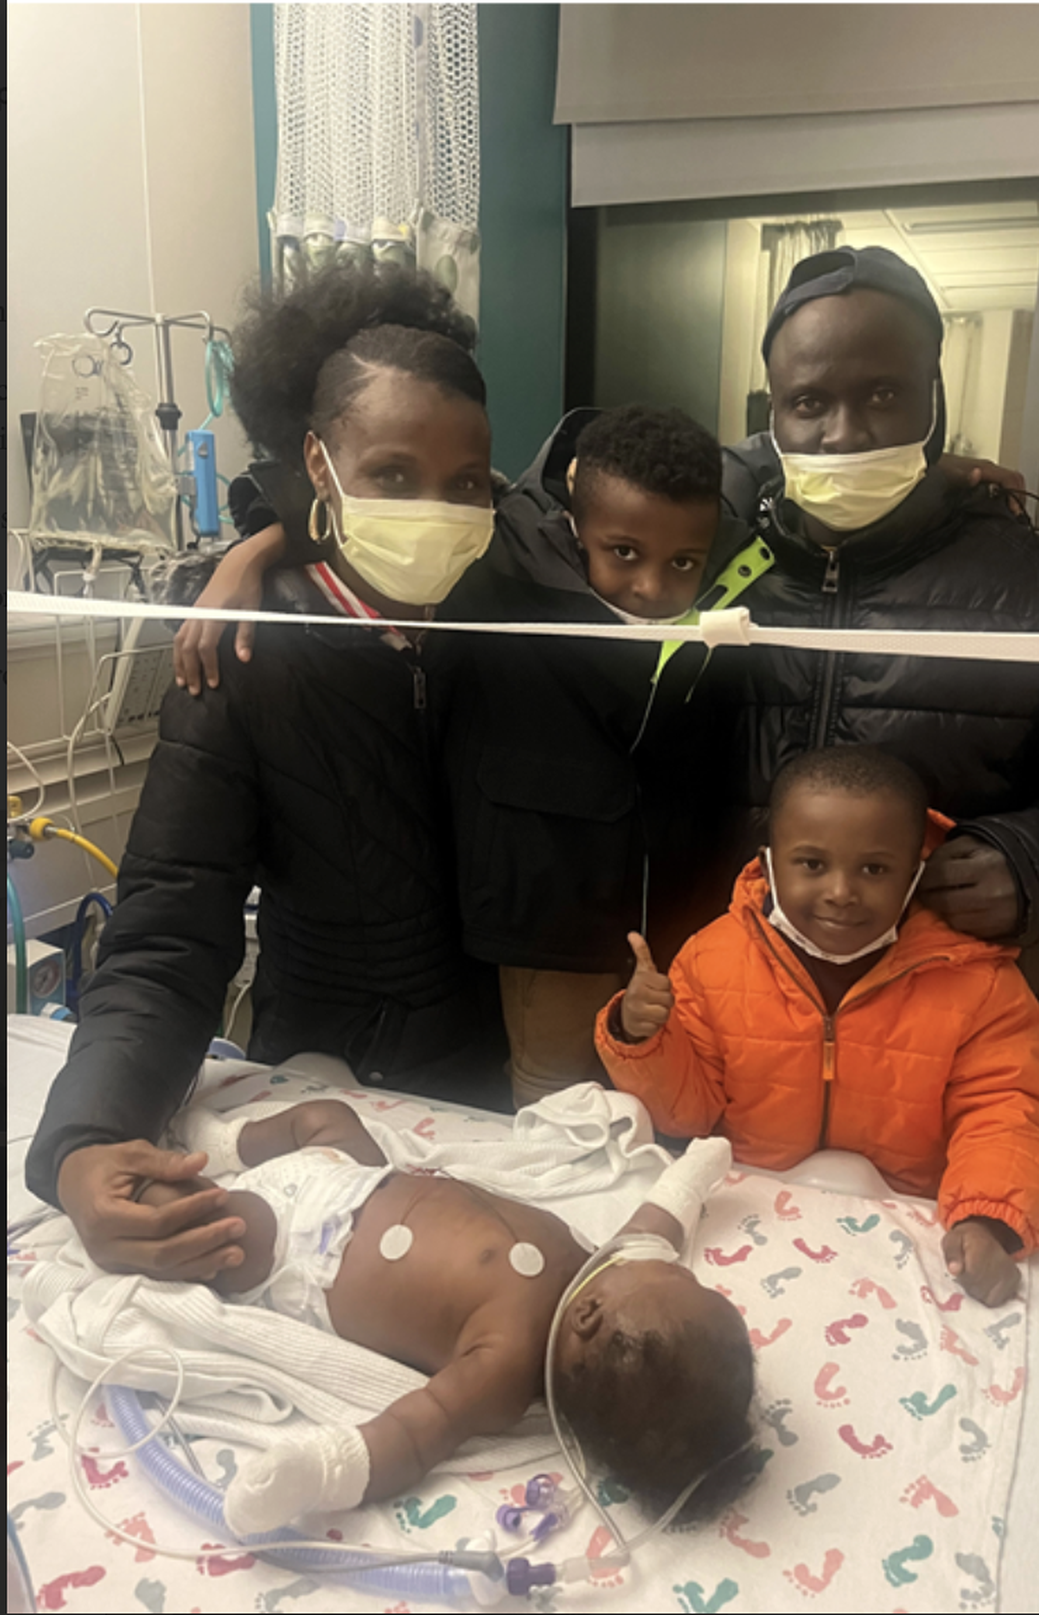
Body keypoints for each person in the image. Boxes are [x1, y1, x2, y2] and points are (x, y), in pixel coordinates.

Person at [26, 266, 509, 1281]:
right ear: (319, 464)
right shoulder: (244, 653)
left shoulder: (516, 617)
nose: (436, 511)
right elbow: (167, 931)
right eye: (389, 475)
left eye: (467, 484)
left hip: (501, 1086)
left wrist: (265, 536)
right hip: (324, 1074)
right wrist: (86, 1136)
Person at [177, 404, 771, 1107]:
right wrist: (255, 549)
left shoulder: (737, 585)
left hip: (680, 914)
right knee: (556, 1106)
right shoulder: (506, 553)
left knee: (670, 1096)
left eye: (681, 563)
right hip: (544, 920)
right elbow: (380, 509)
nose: (651, 586)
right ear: (578, 524)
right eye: (623, 554)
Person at [721, 245, 1039, 1075]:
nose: (845, 433)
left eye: (883, 395)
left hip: (957, 1059)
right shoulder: (718, 565)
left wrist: (1036, 867)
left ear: (933, 398)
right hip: (740, 1033)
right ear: (772, 417)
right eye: (808, 402)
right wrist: (739, 472)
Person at [140, 1098, 754, 1532]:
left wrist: (317, 1472)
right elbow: (657, 1225)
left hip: (298, 1247)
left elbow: (414, 1433)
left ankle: (147, 1192)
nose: (669, 1262)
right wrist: (696, 1173)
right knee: (326, 1118)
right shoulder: (604, 1274)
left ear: (589, 1317)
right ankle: (225, 1142)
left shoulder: (506, 1365)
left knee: (212, 1224)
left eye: (676, 1276)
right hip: (357, 1172)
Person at [597, 747, 1039, 1309]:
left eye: (874, 869)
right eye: (813, 864)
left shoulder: (977, 982)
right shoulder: (711, 958)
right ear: (770, 862)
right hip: (751, 1216)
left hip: (905, 1232)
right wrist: (642, 1036)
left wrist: (989, 1219)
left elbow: (1005, 1111)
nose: (841, 892)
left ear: (916, 874)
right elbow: (688, 1112)